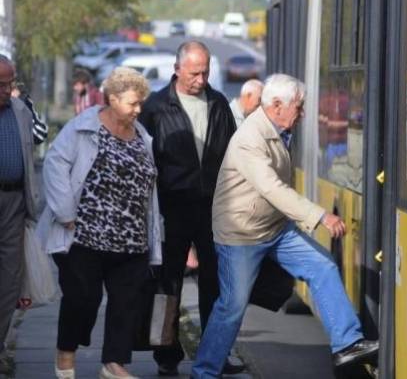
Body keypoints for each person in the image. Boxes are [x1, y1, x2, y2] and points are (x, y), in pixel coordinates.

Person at [192, 74, 378, 378]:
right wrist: (321, 216)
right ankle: (203, 373)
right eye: (299, 106)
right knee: (232, 307)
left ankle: (346, 345)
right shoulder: (249, 140)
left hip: (274, 227)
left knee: (323, 266)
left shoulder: (278, 127)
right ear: (277, 105)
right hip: (241, 233)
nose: (303, 113)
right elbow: (273, 189)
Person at [40, 67, 162, 379]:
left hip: (132, 239)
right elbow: (55, 164)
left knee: (125, 304)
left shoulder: (142, 137)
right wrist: (65, 213)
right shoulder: (82, 128)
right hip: (85, 237)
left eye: (140, 104)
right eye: (133, 103)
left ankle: (113, 364)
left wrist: (153, 237)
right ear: (112, 98)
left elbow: (150, 188)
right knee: (83, 299)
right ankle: (66, 355)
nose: (139, 110)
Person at [138, 40, 239, 376]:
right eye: (195, 72)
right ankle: (165, 354)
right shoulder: (155, 107)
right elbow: (143, 160)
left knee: (216, 284)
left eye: (206, 72)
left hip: (212, 207)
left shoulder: (219, 104)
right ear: (177, 69)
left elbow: (233, 156)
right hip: (170, 207)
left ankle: (214, 354)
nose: (201, 79)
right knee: (166, 285)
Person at [0, 55, 40, 374]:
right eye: (1, 84)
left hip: (13, 202)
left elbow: (31, 151)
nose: (7, 90)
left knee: (11, 279)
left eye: (10, 83)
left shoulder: (20, 111)